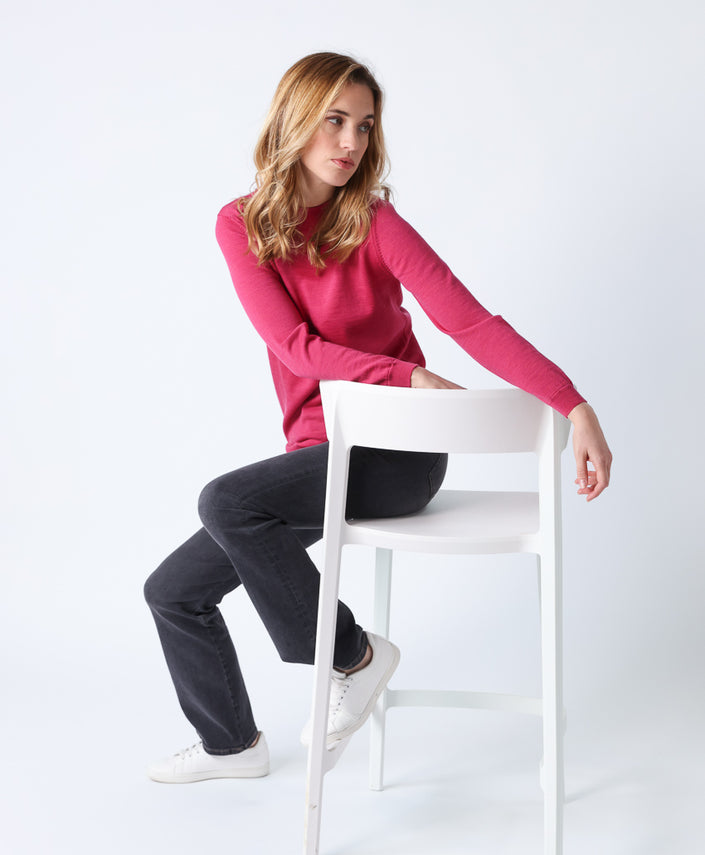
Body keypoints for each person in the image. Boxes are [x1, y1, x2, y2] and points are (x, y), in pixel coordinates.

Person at [144, 52, 612, 783]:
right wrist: (406, 373)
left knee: (226, 501)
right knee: (173, 591)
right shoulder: (242, 225)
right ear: (293, 120)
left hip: (399, 457)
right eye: (335, 121)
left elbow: (470, 322)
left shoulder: (374, 221)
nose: (351, 142)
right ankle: (231, 744)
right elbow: (296, 348)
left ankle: (353, 656)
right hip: (322, 454)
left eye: (364, 126)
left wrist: (572, 403)